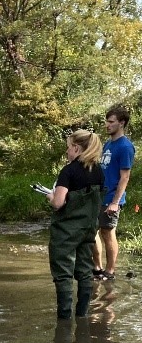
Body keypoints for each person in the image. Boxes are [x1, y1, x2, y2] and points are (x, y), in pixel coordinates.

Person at [46, 129, 104, 319]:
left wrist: (50, 196)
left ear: (77, 148)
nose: (67, 152)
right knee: (85, 271)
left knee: (63, 274)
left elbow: (58, 203)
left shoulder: (68, 171)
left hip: (66, 231)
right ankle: (82, 315)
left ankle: (64, 319)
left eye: (69, 148)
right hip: (88, 230)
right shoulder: (98, 171)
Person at [93, 104, 135, 281]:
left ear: (122, 123)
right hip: (98, 195)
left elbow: (124, 177)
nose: (107, 125)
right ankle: (97, 267)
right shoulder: (108, 143)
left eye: (111, 122)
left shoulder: (125, 147)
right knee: (91, 232)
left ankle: (110, 271)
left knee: (108, 232)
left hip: (112, 197)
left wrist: (115, 202)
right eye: (106, 121)